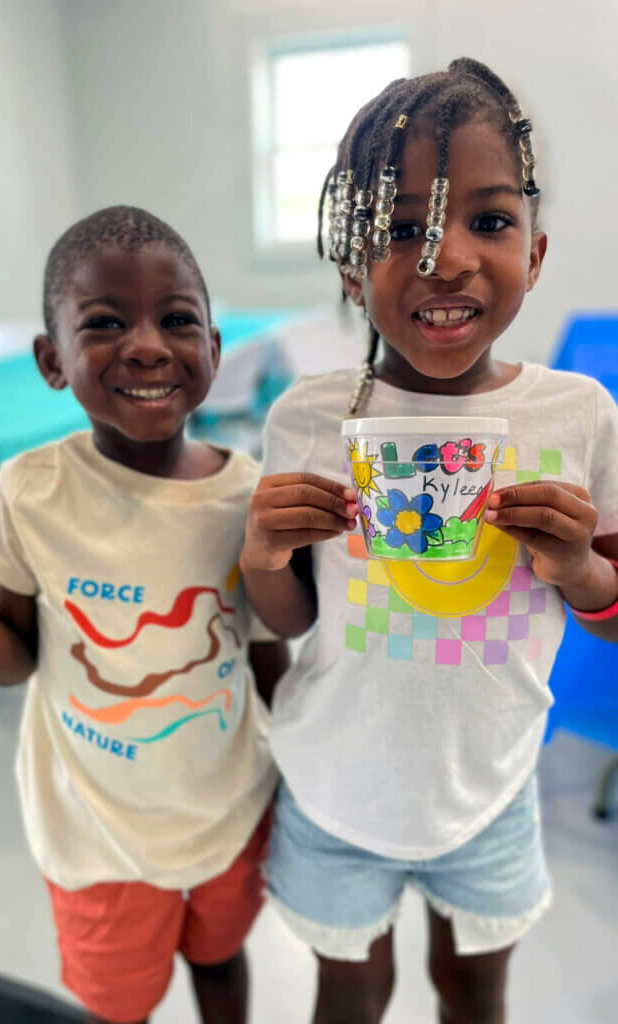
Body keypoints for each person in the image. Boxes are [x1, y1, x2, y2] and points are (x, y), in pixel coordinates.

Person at [239, 58, 618, 1024]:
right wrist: (263, 557)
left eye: (488, 220)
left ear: (534, 255)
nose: (442, 257)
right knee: (351, 995)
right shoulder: (310, 416)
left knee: (472, 993)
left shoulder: (580, 414)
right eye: (401, 228)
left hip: (489, 794)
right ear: (351, 263)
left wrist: (577, 570)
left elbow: (612, 616)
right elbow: (291, 617)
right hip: (335, 789)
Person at [0, 206, 288, 1024]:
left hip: (231, 812)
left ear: (215, 352)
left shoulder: (249, 495)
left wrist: (299, 772)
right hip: (96, 838)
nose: (149, 343)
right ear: (51, 362)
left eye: (179, 319)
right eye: (106, 323)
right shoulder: (27, 491)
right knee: (118, 1007)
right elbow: (15, 653)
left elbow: (270, 658)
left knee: (224, 965)